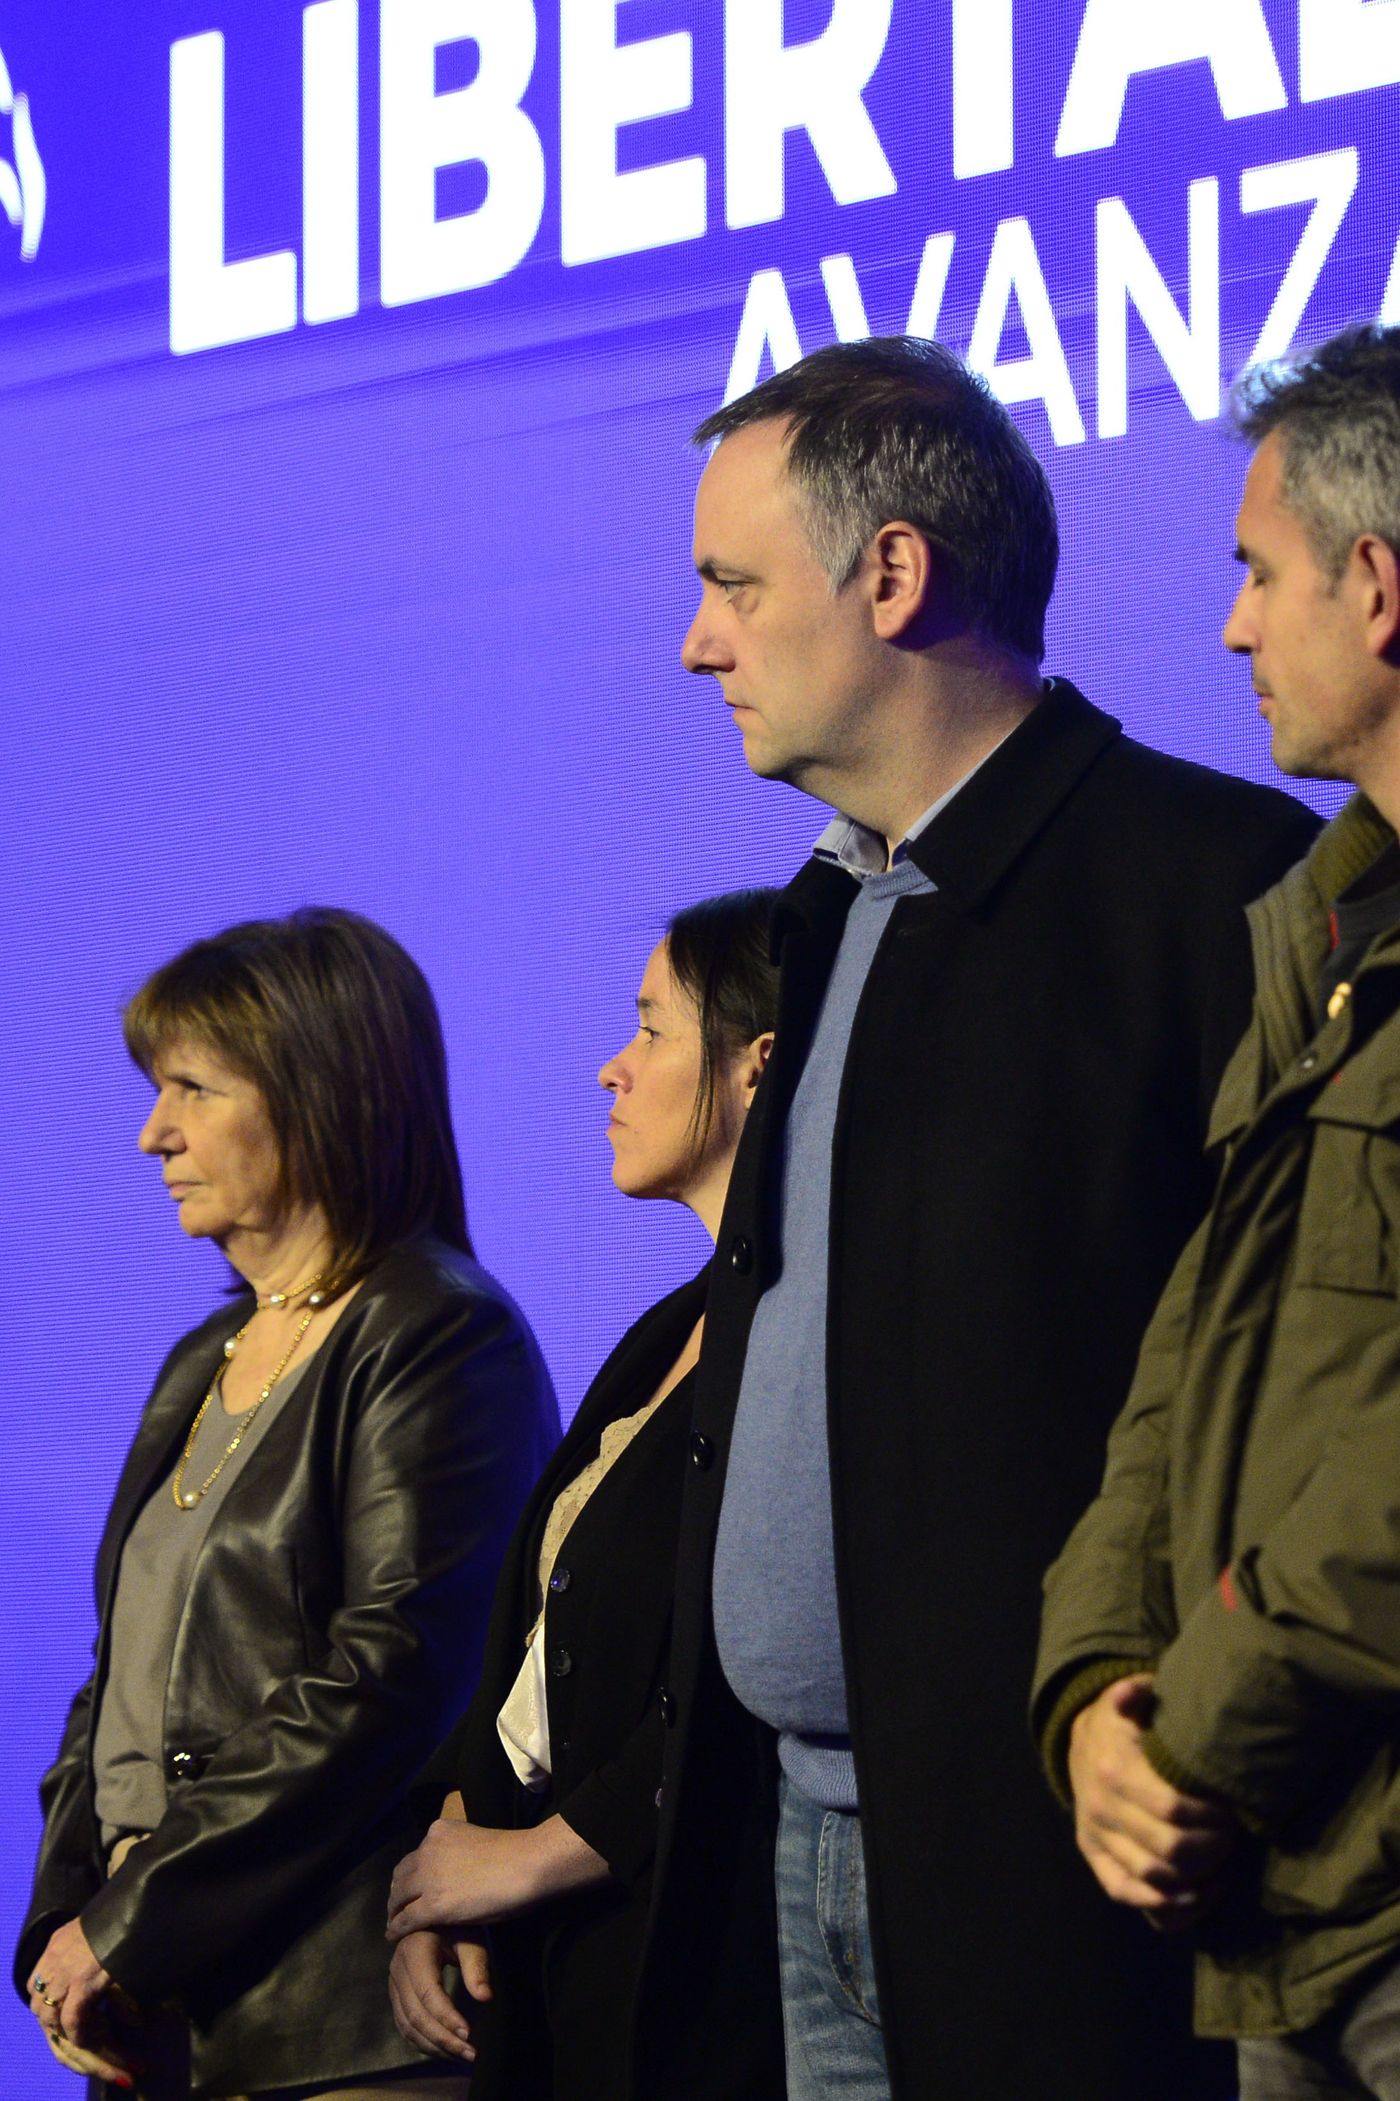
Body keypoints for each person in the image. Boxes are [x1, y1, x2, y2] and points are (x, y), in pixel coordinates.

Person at [625, 337, 1324, 2101]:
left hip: (1067, 1885)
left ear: (895, 574)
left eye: (731, 586)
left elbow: (1293, 1397)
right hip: (798, 1854)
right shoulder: (825, 916)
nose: (700, 643)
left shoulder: (1223, 893)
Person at [1034, 325, 1400, 2101]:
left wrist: (1194, 1727)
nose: (1239, 627)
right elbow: (1188, 1373)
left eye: (1260, 577)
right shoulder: (1320, 948)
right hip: (1282, 1904)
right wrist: (1096, 1694)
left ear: (1378, 585)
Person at [16, 907, 558, 2101]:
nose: (154, 1134)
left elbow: (393, 1675)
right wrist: (65, 1925)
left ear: (317, 1093)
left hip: (333, 2026)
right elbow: (115, 1682)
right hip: (157, 2018)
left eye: (193, 1089)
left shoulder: (436, 1332)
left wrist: (133, 1920)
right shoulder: (200, 1355)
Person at [381, 889, 779, 2100]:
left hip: (702, 1989)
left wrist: (535, 1858)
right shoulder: (670, 1325)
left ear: (757, 1068)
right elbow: (541, 1647)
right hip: (557, 1979)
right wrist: (447, 1859)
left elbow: (757, 1665)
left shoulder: (814, 1336)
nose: (612, 1067)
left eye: (651, 1029)